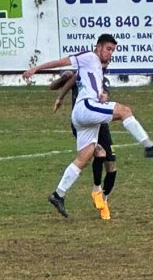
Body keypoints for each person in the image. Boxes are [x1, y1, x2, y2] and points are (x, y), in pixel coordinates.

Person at [22, 34, 153, 218]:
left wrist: (101, 97)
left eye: (112, 50)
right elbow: (61, 62)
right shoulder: (89, 57)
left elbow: (82, 82)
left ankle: (58, 194)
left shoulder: (97, 69)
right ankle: (149, 147)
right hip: (84, 108)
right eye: (108, 49)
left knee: (83, 158)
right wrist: (36, 68)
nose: (110, 53)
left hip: (85, 115)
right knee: (124, 111)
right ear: (98, 47)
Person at [50, 69, 117, 221]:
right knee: (97, 153)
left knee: (111, 166)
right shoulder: (77, 77)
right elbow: (53, 86)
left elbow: (105, 93)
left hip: (100, 123)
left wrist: (104, 97)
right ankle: (95, 190)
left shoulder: (101, 80)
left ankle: (103, 199)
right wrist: (63, 79)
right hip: (82, 123)